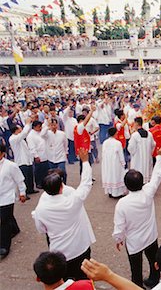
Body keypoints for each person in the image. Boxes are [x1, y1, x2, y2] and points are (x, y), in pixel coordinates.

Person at [32, 148, 94, 281]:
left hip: (59, 253)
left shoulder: (41, 209)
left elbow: (41, 229)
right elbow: (86, 183)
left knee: (64, 282)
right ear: (61, 187)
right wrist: (85, 162)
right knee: (83, 278)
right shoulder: (72, 201)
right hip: (80, 247)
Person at [112, 143, 161, 288]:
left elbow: (119, 225)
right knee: (154, 261)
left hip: (134, 242)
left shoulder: (122, 203)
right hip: (150, 236)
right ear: (142, 182)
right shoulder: (148, 192)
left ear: (126, 185)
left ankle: (138, 286)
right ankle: (154, 281)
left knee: (136, 269)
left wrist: (119, 238)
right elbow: (157, 175)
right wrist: (159, 156)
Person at [0, 142, 27, 259]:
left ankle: (4, 246)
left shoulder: (11, 166)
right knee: (8, 217)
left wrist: (22, 193)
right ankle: (15, 229)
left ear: (2, 153)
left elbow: (19, 180)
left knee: (4, 221)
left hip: (7, 197)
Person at [9, 116, 37, 197]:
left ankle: (30, 189)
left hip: (27, 160)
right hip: (21, 161)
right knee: (24, 178)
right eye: (19, 128)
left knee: (30, 176)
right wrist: (27, 124)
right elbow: (24, 133)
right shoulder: (13, 139)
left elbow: (25, 133)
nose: (21, 129)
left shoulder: (20, 138)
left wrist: (31, 122)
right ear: (16, 130)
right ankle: (24, 193)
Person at [128, 117, 156, 183]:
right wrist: (149, 153)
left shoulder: (135, 135)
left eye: (134, 123)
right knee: (147, 173)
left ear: (136, 124)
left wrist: (133, 153)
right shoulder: (149, 134)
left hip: (138, 159)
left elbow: (131, 148)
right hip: (147, 158)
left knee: (137, 174)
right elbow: (153, 145)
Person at [101, 127, 127, 198]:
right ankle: (117, 193)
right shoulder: (117, 143)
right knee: (116, 176)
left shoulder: (105, 142)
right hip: (115, 163)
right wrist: (123, 163)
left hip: (107, 163)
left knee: (109, 176)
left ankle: (110, 192)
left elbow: (103, 153)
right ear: (115, 133)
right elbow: (121, 155)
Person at [43, 119, 68, 184]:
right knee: (53, 174)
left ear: (57, 125)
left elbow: (65, 144)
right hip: (51, 157)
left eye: (54, 125)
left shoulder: (62, 134)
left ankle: (64, 184)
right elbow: (42, 134)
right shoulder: (47, 133)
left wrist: (66, 152)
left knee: (63, 172)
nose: (53, 126)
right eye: (52, 125)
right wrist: (47, 126)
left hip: (61, 156)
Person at [27, 120, 49, 189]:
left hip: (45, 154)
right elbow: (32, 147)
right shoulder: (31, 135)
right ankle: (38, 183)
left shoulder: (40, 132)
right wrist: (36, 156)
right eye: (39, 127)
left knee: (45, 170)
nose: (40, 128)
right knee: (38, 170)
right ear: (34, 127)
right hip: (38, 155)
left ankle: (45, 182)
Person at [74, 106, 95, 175]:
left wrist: (89, 146)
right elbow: (87, 120)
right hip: (83, 152)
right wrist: (91, 111)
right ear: (80, 121)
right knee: (84, 167)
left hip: (85, 150)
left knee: (87, 165)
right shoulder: (79, 127)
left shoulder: (81, 129)